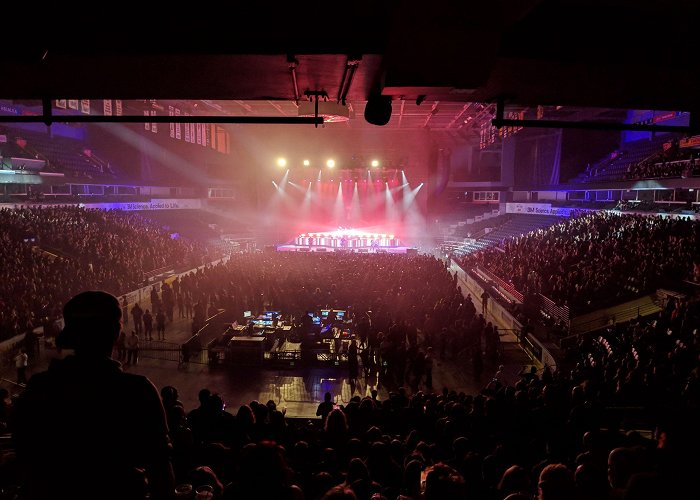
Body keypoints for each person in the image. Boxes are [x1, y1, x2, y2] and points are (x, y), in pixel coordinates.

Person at [11, 290, 175, 500]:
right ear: (116, 332)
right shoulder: (137, 391)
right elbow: (160, 470)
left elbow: (25, 454)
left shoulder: (38, 388)